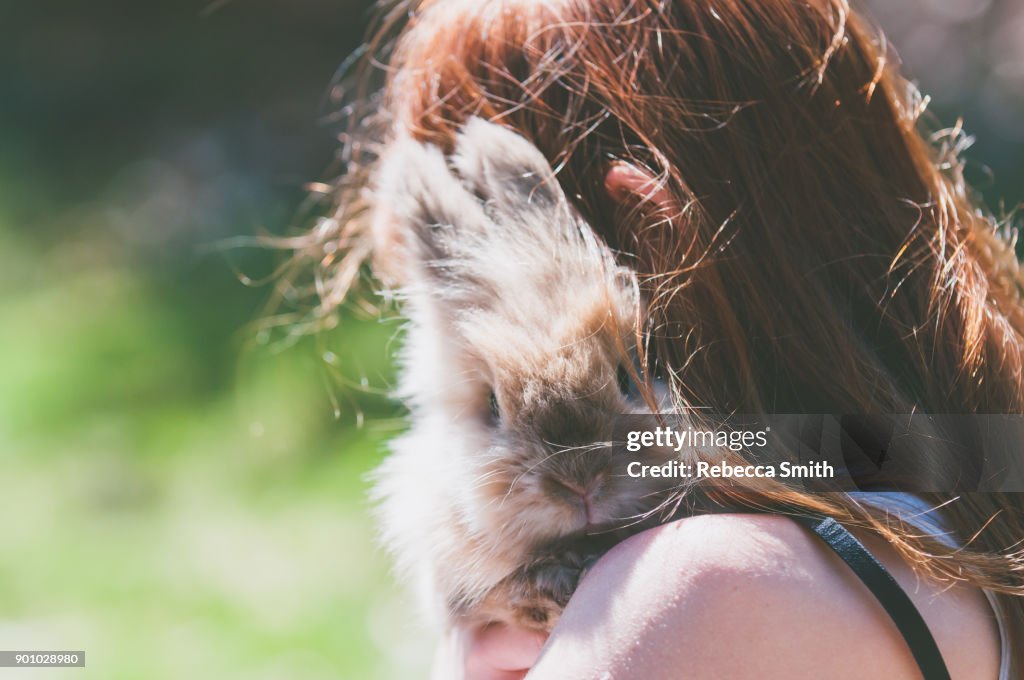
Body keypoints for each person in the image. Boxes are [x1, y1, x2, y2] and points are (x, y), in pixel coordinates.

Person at [311, 0, 1024, 676]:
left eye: (629, 380)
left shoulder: (697, 592)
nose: (578, 475)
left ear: (656, 224)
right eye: (494, 409)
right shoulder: (949, 489)